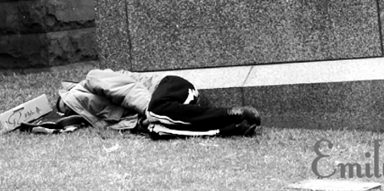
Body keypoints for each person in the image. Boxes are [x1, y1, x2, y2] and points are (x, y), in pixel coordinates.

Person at [55, 68, 260, 138]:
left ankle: (232, 112)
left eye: (67, 107)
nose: (68, 111)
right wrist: (142, 122)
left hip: (171, 87)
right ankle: (229, 128)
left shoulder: (93, 78)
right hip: (165, 107)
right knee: (155, 129)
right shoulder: (94, 112)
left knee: (155, 113)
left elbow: (128, 90)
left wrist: (147, 111)